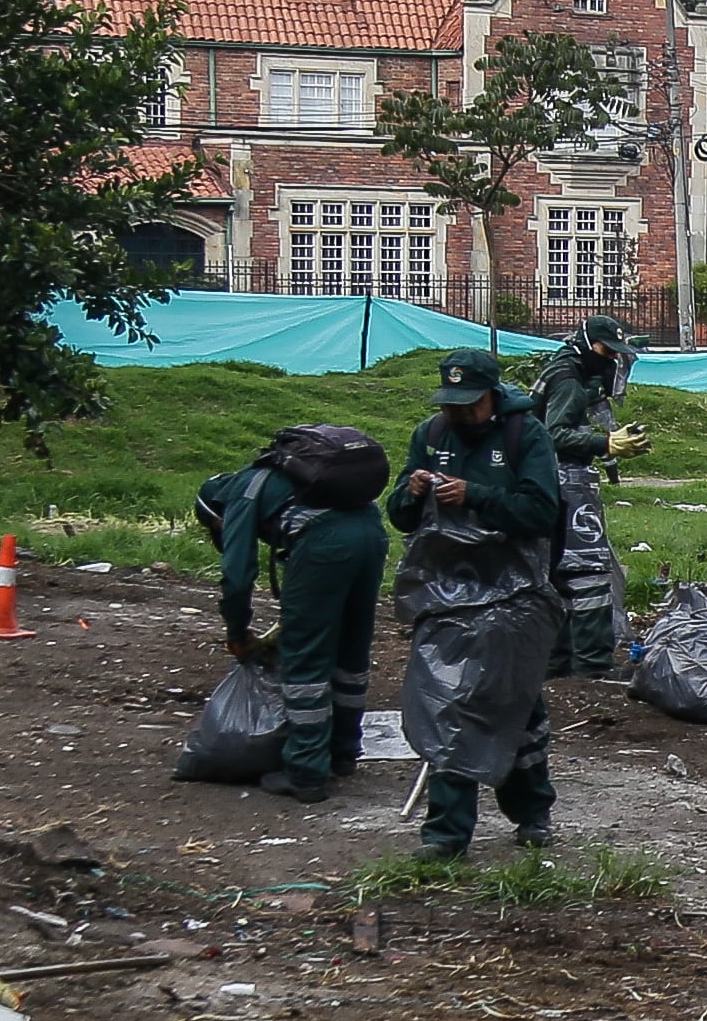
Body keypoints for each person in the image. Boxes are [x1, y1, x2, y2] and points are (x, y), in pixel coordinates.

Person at [389, 347, 567, 859]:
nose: (459, 413)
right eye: (451, 403)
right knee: (447, 702)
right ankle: (446, 834)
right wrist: (411, 490)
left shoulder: (524, 435)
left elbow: (540, 511)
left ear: (493, 396)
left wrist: (476, 496)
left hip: (515, 592)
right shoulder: (431, 435)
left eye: (469, 404)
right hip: (445, 595)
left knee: (518, 703)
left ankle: (533, 812)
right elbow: (401, 517)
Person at [194, 426, 388, 804]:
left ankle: (306, 773)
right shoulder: (279, 476)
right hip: (371, 533)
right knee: (351, 650)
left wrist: (237, 632)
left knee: (305, 659)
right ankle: (343, 753)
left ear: (212, 515)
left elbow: (236, 577)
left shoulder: (239, 494)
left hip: (325, 544)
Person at [532, 313, 635, 678]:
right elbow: (553, 434)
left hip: (555, 480)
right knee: (587, 568)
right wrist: (604, 442)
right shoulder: (568, 380)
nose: (611, 359)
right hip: (564, 482)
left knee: (554, 570)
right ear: (587, 342)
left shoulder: (572, 369)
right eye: (607, 351)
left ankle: (555, 662)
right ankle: (592, 664)